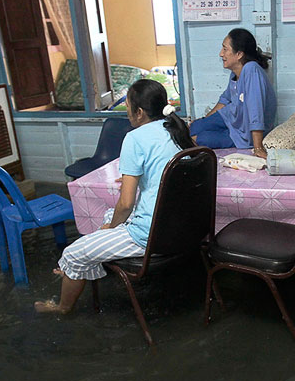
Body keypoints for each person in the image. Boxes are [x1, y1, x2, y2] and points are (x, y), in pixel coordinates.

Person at [35, 79, 194, 314]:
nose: (127, 110)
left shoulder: (135, 138)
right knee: (108, 216)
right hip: (182, 227)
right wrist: (136, 179)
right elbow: (165, 169)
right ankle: (80, 265)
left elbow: (126, 204)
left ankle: (62, 306)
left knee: (74, 251)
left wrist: (111, 228)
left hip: (151, 234)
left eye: (128, 105)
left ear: (139, 112)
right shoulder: (176, 129)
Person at [189, 28, 276, 158]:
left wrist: (258, 147)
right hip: (231, 118)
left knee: (198, 139)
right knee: (193, 127)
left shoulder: (251, 71)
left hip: (243, 134)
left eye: (225, 49)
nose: (221, 54)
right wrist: (206, 121)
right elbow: (225, 100)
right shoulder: (235, 73)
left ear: (239, 54)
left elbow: (256, 112)